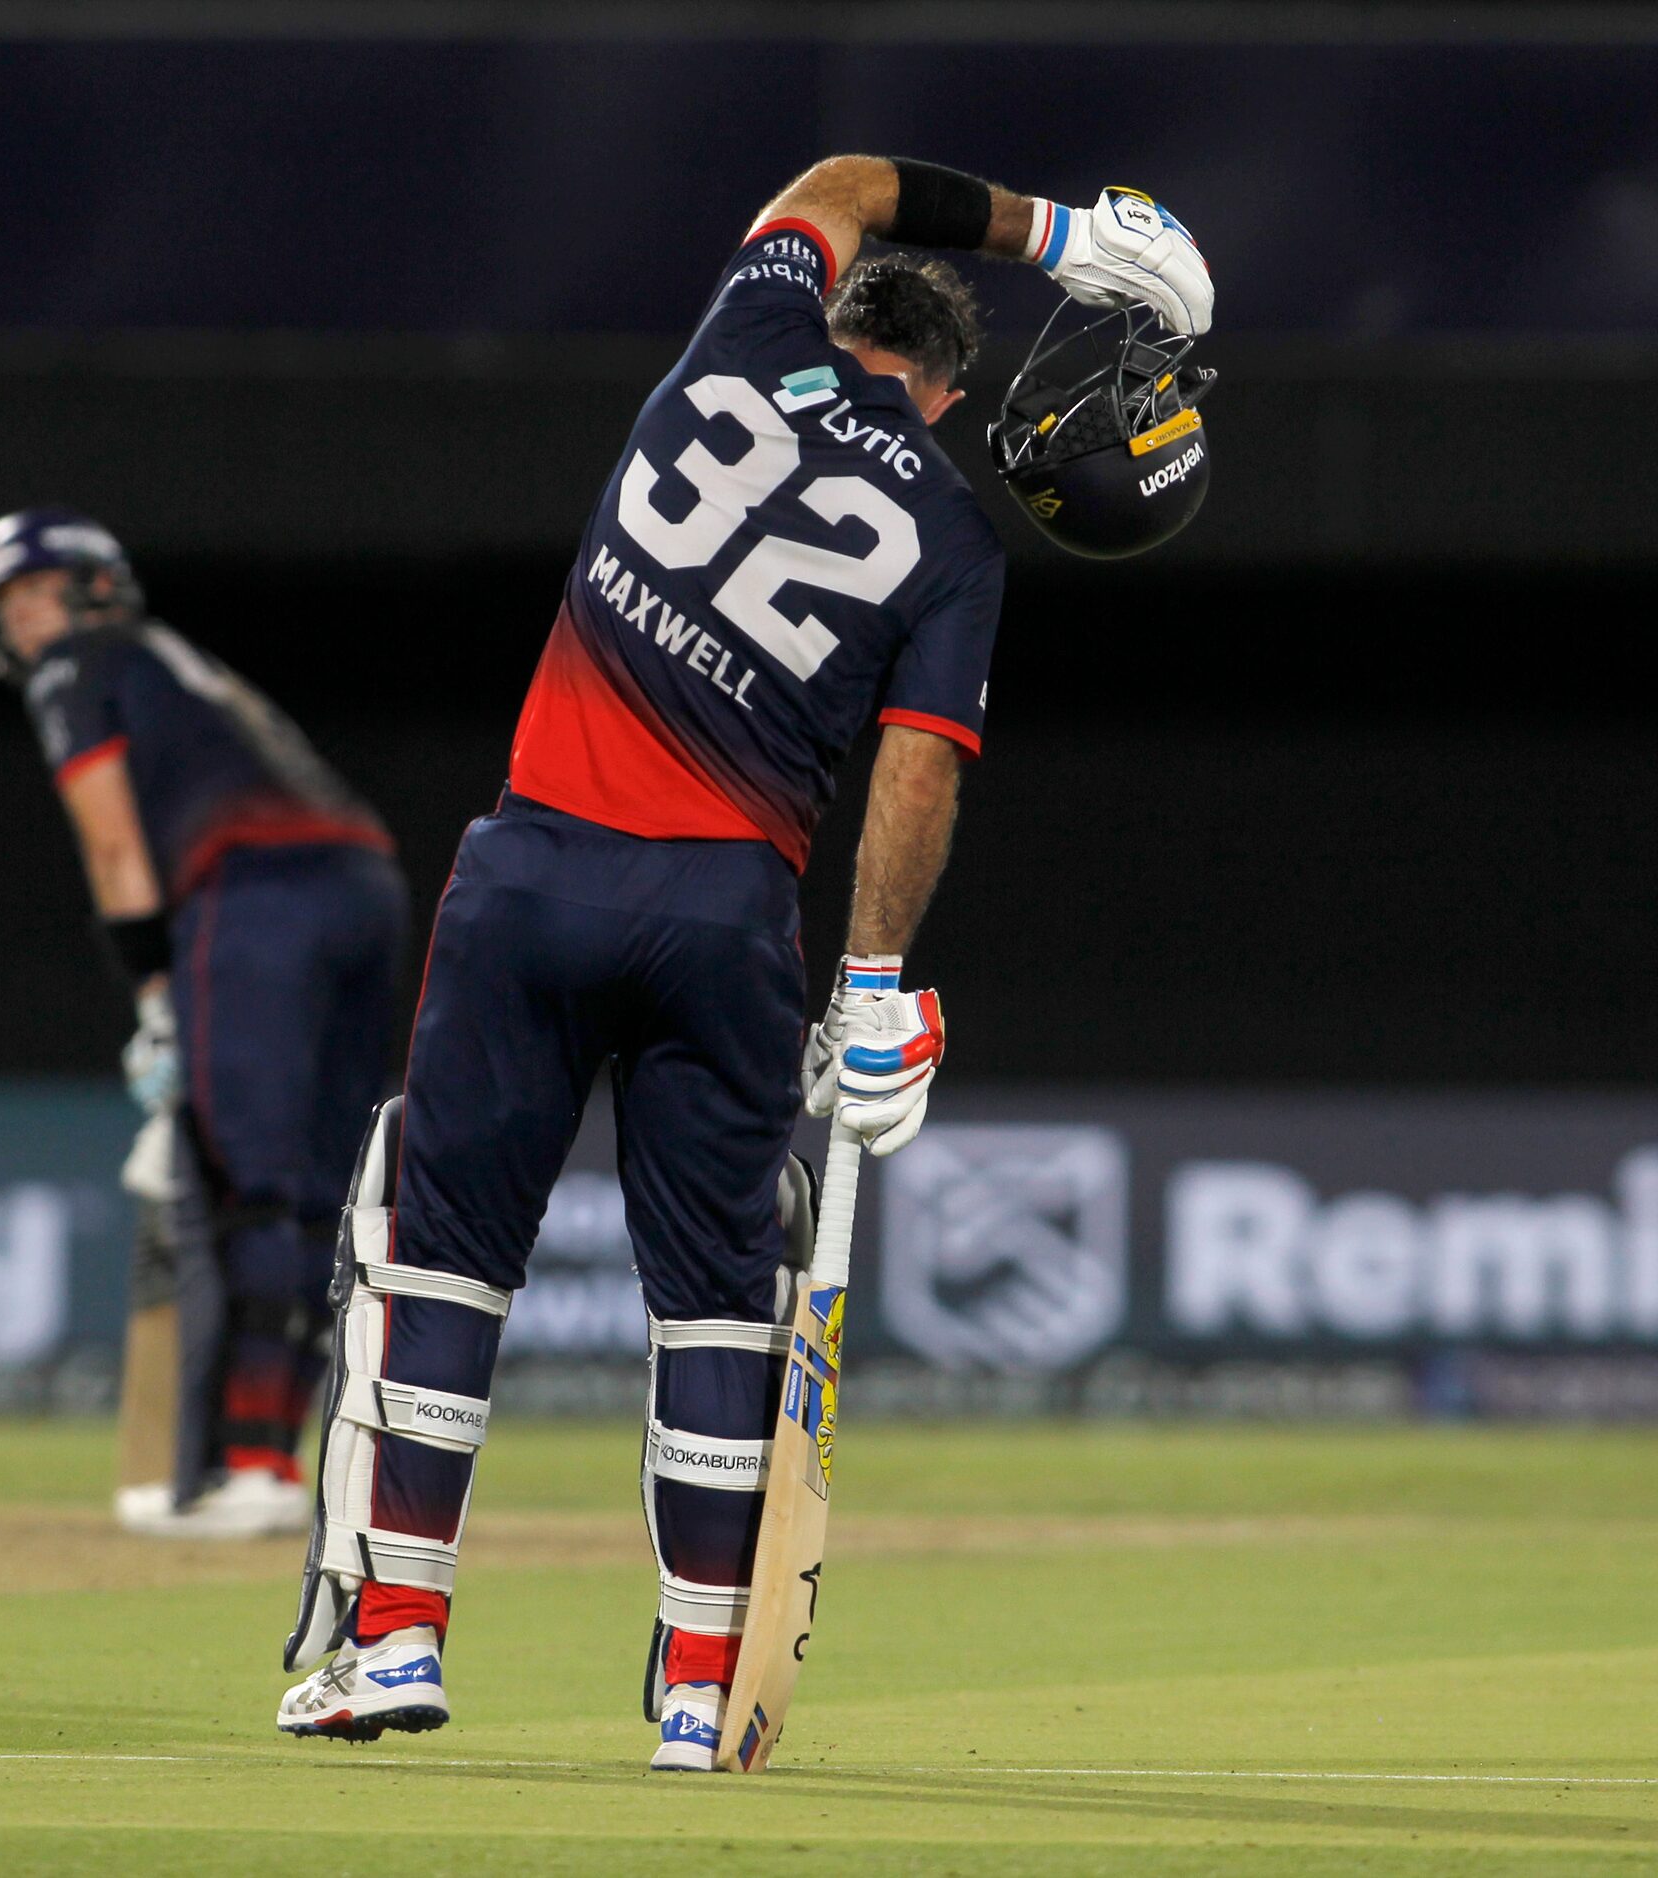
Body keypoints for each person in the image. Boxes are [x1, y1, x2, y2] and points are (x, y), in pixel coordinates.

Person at [276, 156, 1211, 1763]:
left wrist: (1062, 235)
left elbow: (843, 177)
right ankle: (705, 1689)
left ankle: (394, 1641)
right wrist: (871, 985)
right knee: (716, 1304)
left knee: (434, 1259)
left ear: (837, 309)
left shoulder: (739, 332)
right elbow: (920, 773)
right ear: (940, 392)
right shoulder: (956, 540)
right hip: (725, 914)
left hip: (536, 871)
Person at [0, 511, 409, 1537]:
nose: (21, 622)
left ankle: (248, 1467)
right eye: (8, 607)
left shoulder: (77, 666)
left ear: (88, 590)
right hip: (366, 886)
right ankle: (294, 1464)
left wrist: (154, 998)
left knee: (247, 1182)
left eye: (31, 594)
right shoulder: (178, 660)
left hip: (255, 896)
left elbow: (115, 850)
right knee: (323, 1188)